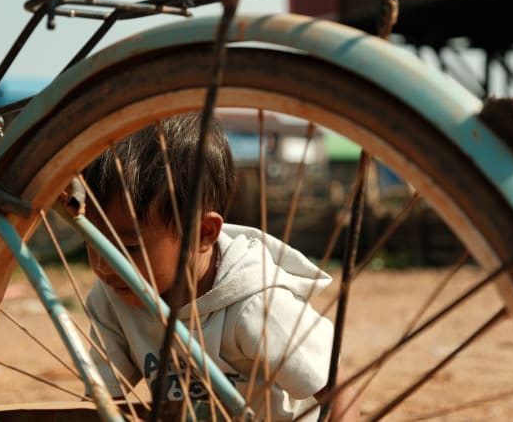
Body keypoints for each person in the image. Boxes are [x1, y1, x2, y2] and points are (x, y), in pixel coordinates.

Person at [82, 112, 359, 421]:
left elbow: (339, 392)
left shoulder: (257, 304)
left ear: (203, 233)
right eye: (93, 242)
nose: (103, 265)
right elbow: (106, 403)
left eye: (129, 247)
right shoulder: (112, 297)